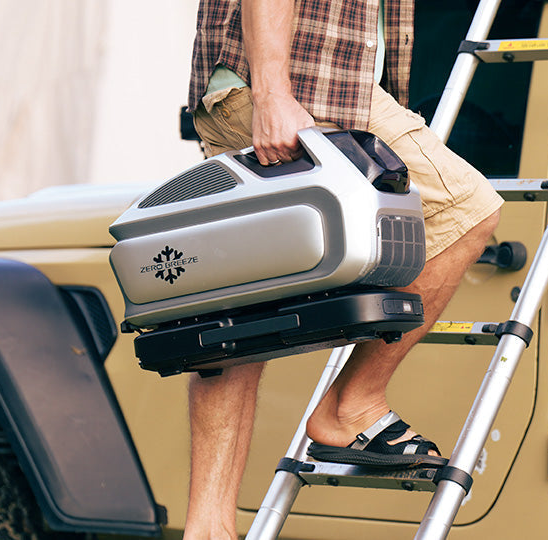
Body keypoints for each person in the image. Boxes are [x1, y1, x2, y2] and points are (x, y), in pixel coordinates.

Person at [184, 0, 503, 537]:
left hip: (243, 88)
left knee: (241, 307)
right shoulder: (287, 91)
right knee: (466, 207)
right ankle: (352, 405)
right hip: (308, 88)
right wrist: (273, 93)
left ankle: (207, 526)